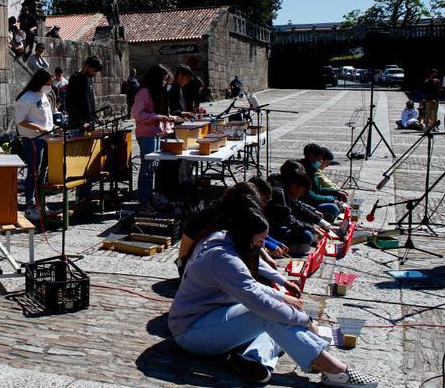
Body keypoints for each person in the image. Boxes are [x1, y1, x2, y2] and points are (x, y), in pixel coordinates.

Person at [169, 202, 379, 387]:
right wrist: (305, 320)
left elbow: (249, 286)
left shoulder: (228, 241)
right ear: (246, 237)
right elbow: (258, 301)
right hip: (191, 333)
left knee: (280, 314)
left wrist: (283, 298)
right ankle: (334, 370)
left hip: (215, 317)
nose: (262, 248)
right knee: (271, 315)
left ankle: (254, 359)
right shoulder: (223, 258)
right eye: (260, 243)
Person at [175, 182, 297, 296]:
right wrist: (281, 296)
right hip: (192, 276)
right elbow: (245, 285)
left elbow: (249, 253)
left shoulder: (231, 220)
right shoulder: (222, 236)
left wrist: (283, 281)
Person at [131, 65, 181, 212]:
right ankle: (143, 200)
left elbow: (158, 112)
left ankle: (148, 197)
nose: (165, 83)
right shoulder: (144, 92)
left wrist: (172, 118)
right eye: (164, 80)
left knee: (152, 167)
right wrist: (157, 117)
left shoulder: (155, 92)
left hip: (155, 133)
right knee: (147, 168)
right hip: (146, 134)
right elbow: (137, 114)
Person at [15, 68, 56, 221]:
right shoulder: (26, 98)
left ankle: (39, 202)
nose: (50, 86)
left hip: (46, 138)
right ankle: (29, 204)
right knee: (34, 172)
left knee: (43, 171)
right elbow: (20, 120)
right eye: (48, 83)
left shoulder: (44, 95)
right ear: (40, 82)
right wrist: (39, 128)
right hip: (33, 139)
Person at [266, 161, 328, 256]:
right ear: (294, 186)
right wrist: (311, 227)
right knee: (307, 235)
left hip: (280, 224)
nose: (301, 195)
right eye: (302, 191)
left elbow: (298, 206)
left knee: (309, 227)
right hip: (272, 229)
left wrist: (317, 219)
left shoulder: (286, 187)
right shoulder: (278, 192)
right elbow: (287, 218)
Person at [300, 143, 344, 222]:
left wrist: (336, 192)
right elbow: (311, 196)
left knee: (336, 197)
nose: (320, 162)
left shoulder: (312, 170)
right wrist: (331, 200)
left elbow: (319, 189)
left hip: (314, 198)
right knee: (333, 207)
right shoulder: (304, 172)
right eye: (319, 159)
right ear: (312, 157)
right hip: (308, 203)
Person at [66, 56, 103, 130]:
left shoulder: (89, 78)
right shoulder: (75, 79)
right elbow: (70, 104)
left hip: (89, 123)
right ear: (87, 66)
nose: (95, 74)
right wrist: (81, 122)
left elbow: (90, 102)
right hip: (79, 125)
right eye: (94, 70)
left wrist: (96, 118)